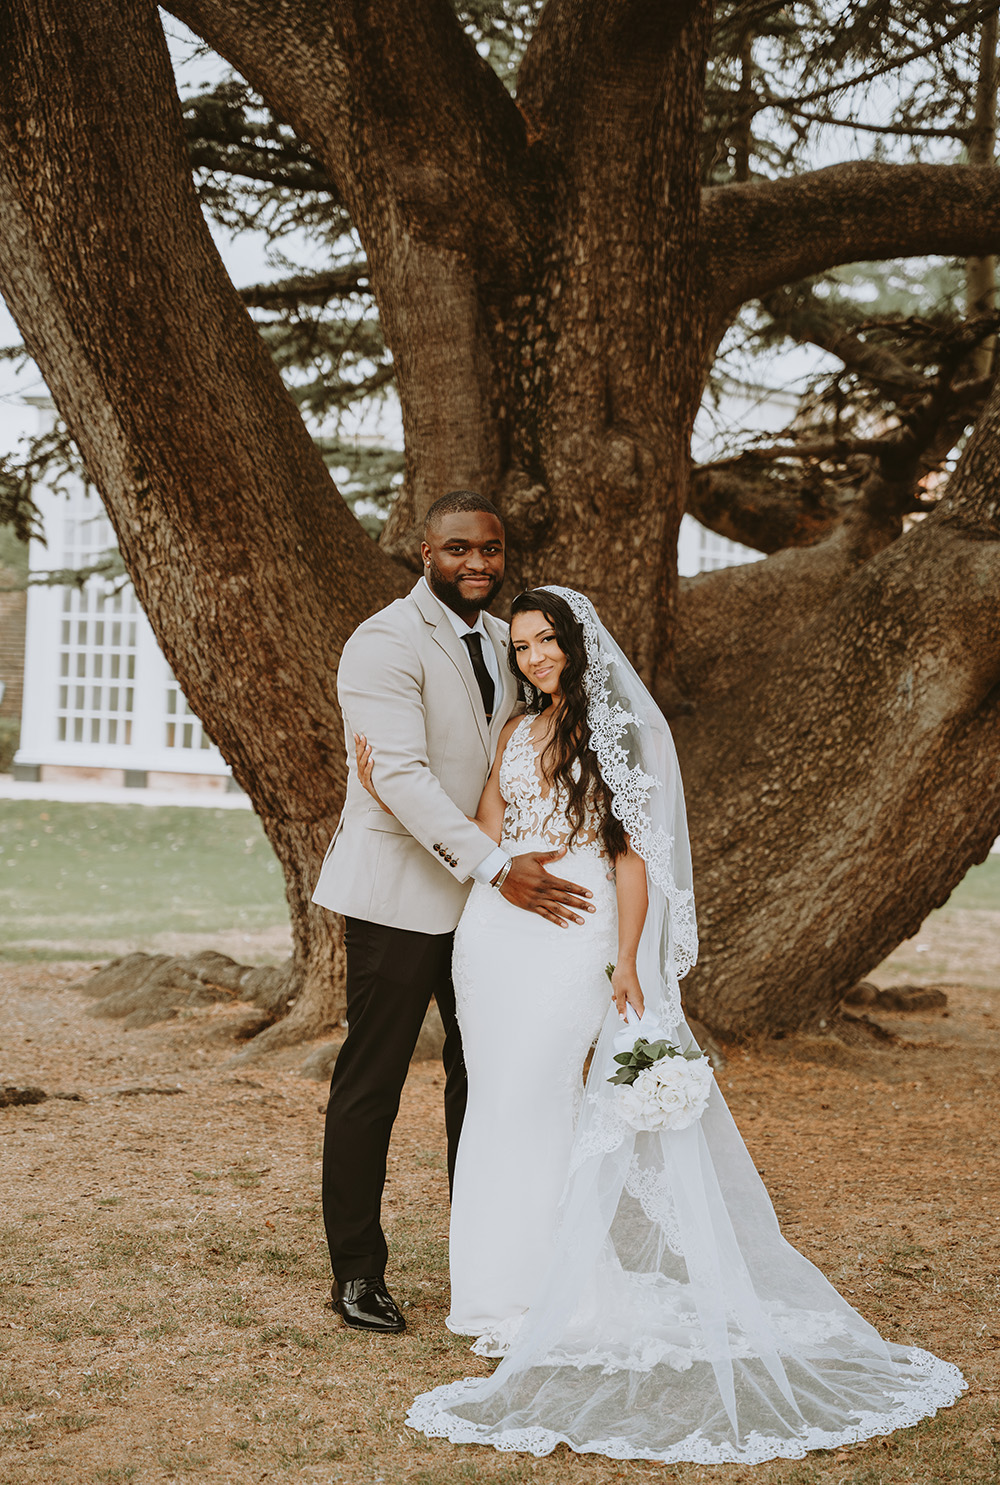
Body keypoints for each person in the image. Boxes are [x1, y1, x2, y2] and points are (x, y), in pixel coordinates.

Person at [358, 585, 966, 1464]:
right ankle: (496, 1292)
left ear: (574, 642)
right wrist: (392, 789)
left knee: (541, 1098)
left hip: (578, 930)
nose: (534, 658)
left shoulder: (612, 732)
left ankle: (559, 1289)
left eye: (546, 641)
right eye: (521, 646)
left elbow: (633, 856)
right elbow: (488, 830)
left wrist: (630, 963)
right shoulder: (513, 733)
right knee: (496, 1100)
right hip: (494, 935)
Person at [311, 494, 595, 1335]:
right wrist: (497, 863)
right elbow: (395, 776)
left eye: (493, 549)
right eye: (459, 548)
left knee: (488, 1080)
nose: (479, 563)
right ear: (422, 551)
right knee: (374, 1082)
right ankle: (356, 1272)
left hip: (492, 917)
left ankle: (491, 1260)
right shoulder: (383, 642)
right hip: (403, 894)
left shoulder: (509, 638)